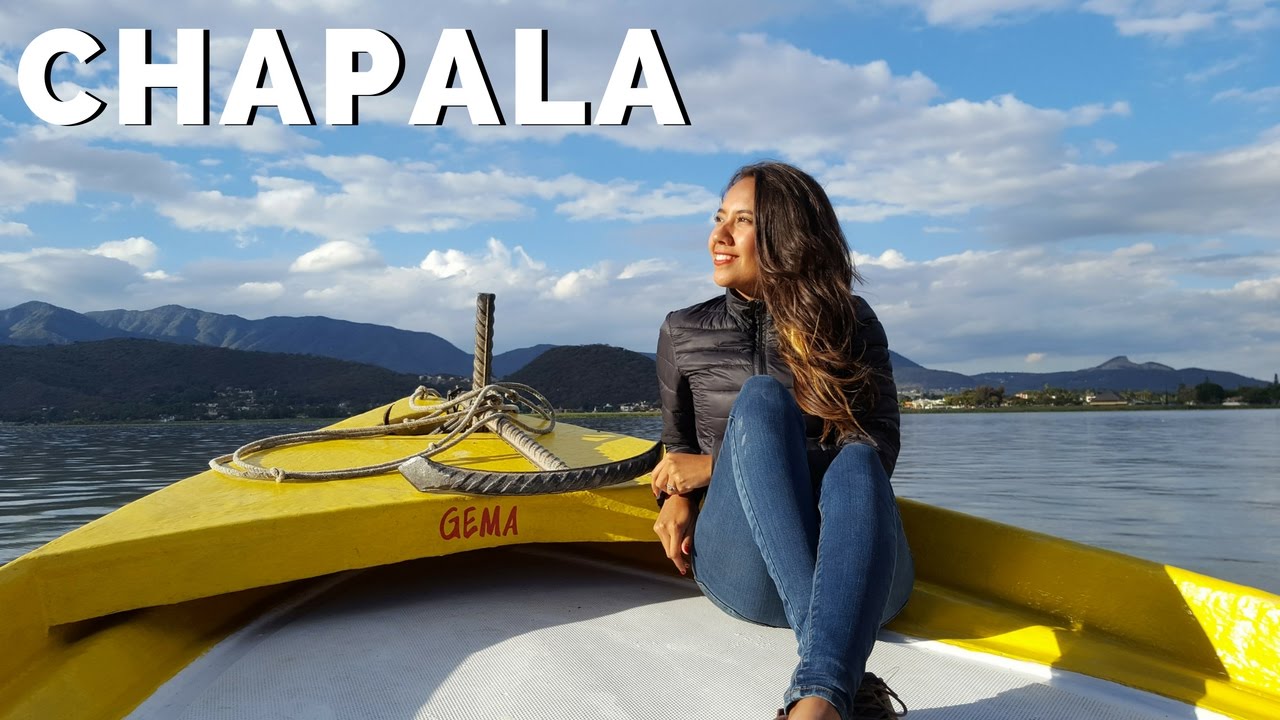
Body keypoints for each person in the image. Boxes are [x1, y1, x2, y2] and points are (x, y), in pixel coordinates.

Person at [649, 161, 914, 720]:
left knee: (859, 459)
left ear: (786, 235)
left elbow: (878, 452)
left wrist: (715, 466)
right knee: (762, 400)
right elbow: (677, 452)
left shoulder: (850, 322)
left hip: (857, 573)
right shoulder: (682, 330)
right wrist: (674, 497)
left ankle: (816, 698)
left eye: (742, 221)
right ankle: (831, 676)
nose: (719, 236)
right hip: (746, 569)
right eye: (719, 218)